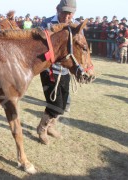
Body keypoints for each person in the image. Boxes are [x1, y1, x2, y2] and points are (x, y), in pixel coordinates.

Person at [37, 0, 77, 145]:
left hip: (66, 70)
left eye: (70, 13)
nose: (67, 16)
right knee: (55, 104)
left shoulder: (76, 26)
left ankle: (51, 126)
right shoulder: (46, 24)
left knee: (65, 103)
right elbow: (38, 47)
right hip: (49, 70)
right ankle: (42, 128)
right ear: (57, 9)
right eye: (65, 12)